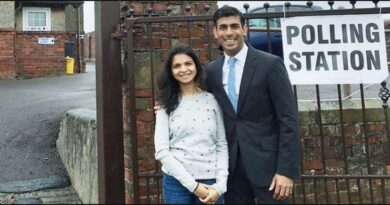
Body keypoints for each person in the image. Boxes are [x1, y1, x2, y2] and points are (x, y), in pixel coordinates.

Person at [205, 5, 300, 204]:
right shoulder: (211, 71)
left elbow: (289, 120)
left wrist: (286, 171)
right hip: (230, 168)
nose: (229, 32)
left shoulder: (270, 64)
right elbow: (196, 102)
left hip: (270, 168)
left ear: (244, 29)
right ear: (215, 32)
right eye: (222, 27)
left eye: (234, 26)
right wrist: (165, 106)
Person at [154, 44, 229, 204]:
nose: (183, 69)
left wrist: (221, 185)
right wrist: (194, 186)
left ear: (196, 66)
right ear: (171, 72)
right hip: (177, 183)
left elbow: (221, 143)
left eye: (188, 63)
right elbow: (161, 151)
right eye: (177, 66)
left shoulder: (212, 100)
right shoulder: (164, 104)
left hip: (212, 182)